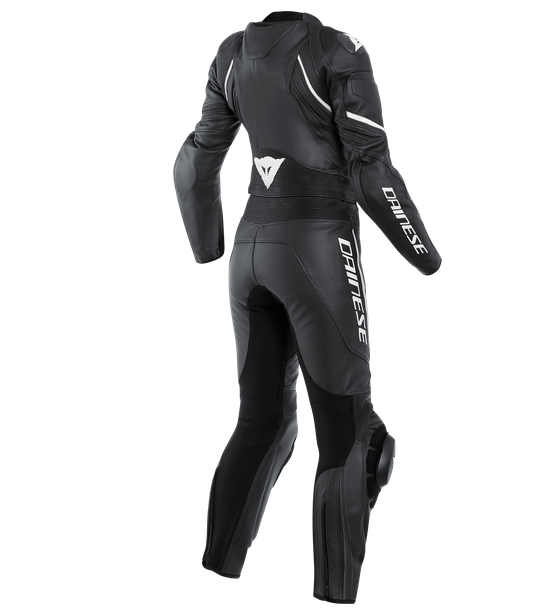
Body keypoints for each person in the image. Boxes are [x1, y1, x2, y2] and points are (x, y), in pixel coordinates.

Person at [172, 10, 442, 604]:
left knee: (260, 421)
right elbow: (371, 171)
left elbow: (194, 161)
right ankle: (337, 596)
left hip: (250, 253)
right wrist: (424, 254)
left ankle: (215, 570)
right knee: (351, 432)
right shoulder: (338, 50)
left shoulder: (230, 53)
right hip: (317, 249)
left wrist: (207, 247)